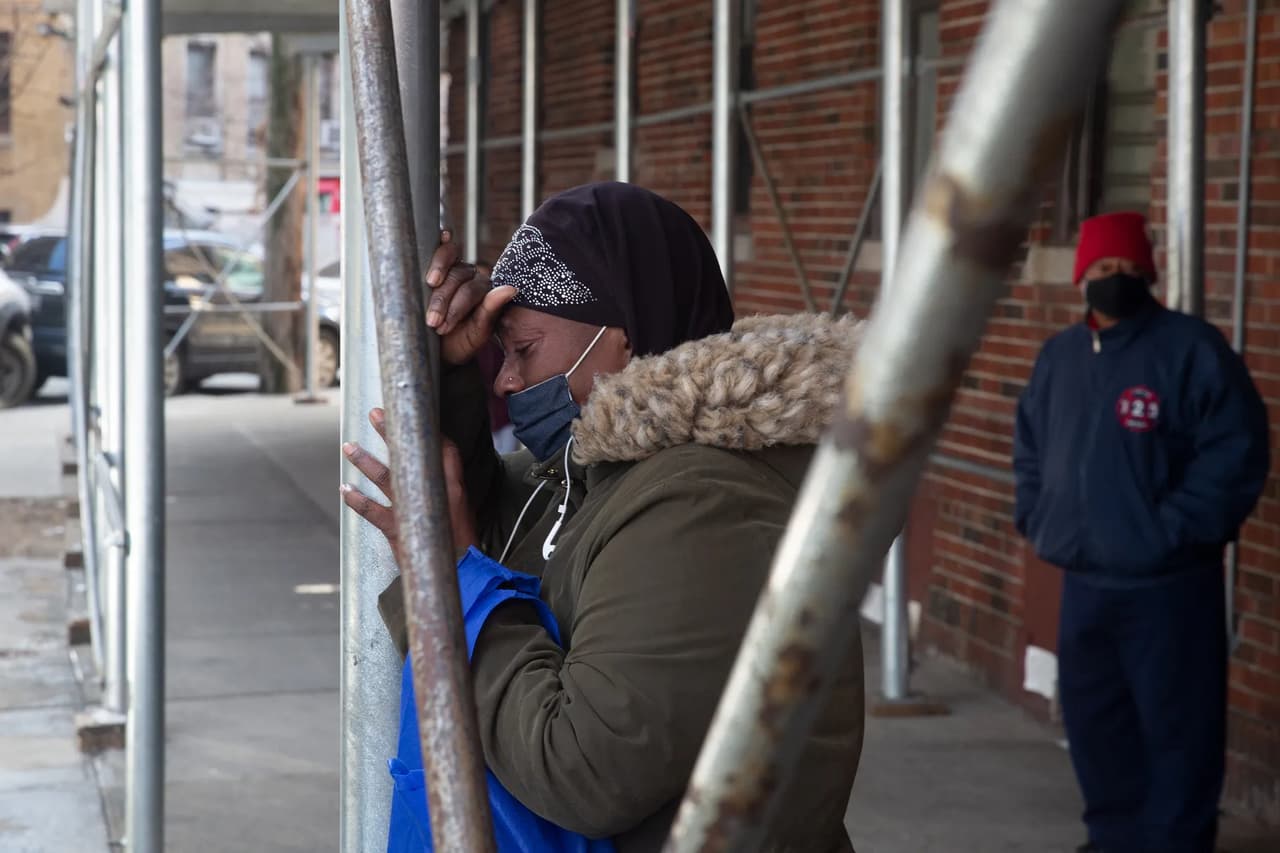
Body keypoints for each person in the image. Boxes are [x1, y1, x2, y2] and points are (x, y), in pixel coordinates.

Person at [342, 182, 866, 852]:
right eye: (498, 357)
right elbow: (519, 549)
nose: (506, 381)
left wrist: (452, 576)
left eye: (522, 349)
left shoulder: (704, 505)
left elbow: (584, 768)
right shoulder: (589, 473)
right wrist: (452, 376)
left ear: (624, 342)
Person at [1013, 211, 1270, 853]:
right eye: (1103, 268)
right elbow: (1030, 448)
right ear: (1082, 278)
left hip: (1169, 586)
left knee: (1178, 729)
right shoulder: (1061, 356)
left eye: (1129, 269)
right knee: (1098, 726)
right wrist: (1038, 516)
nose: (1116, 278)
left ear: (1149, 275)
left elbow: (1234, 454)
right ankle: (1114, 839)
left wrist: (1171, 531)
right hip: (1085, 582)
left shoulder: (1191, 350)